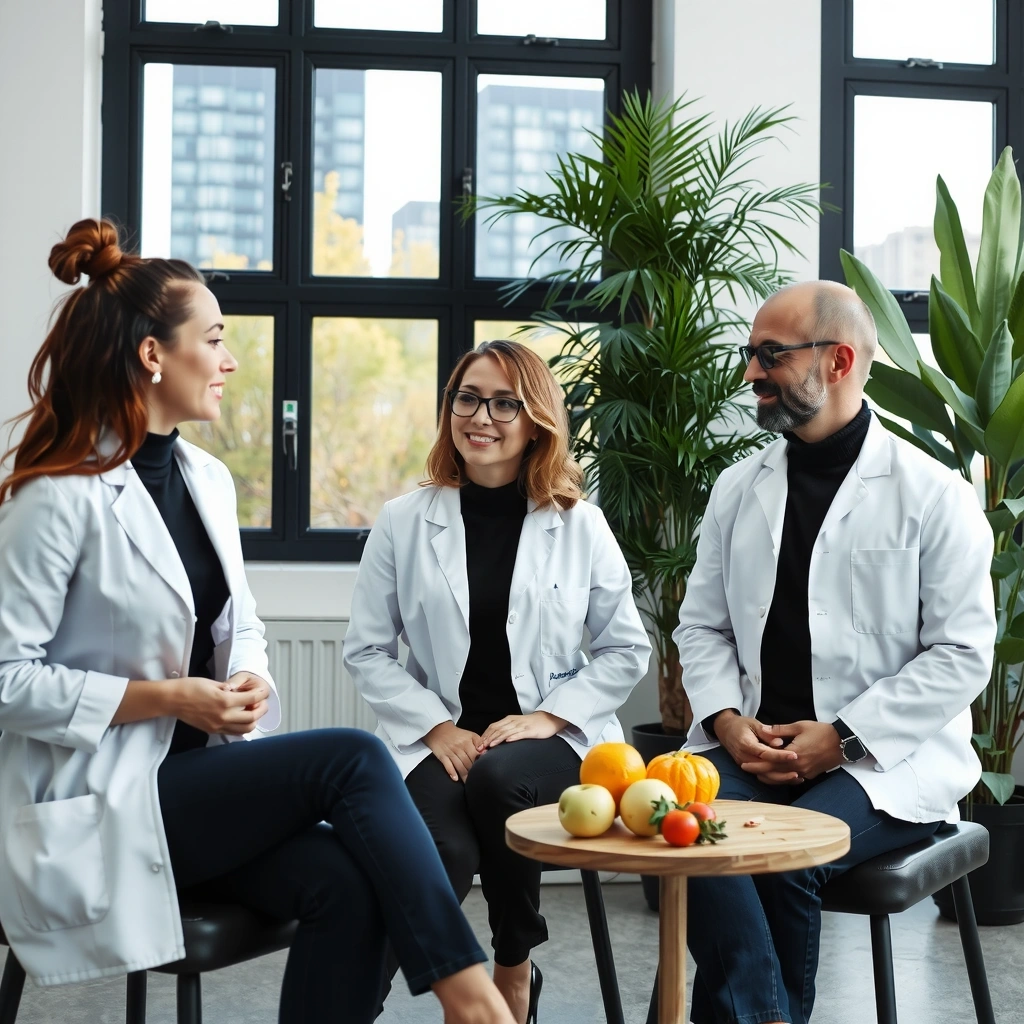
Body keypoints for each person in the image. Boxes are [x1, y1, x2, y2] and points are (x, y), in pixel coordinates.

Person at [0, 218, 516, 1024]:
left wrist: (247, 677)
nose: (230, 360)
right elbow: (6, 680)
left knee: (345, 882)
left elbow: (241, 625)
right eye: (214, 338)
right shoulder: (54, 494)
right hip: (105, 799)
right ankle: (470, 992)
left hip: (189, 787)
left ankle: (467, 991)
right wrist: (168, 697)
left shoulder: (206, 478)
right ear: (152, 355)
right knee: (351, 756)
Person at [649, 281, 996, 1024]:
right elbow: (701, 627)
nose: (750, 373)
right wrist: (728, 721)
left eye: (769, 355)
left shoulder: (933, 495)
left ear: (837, 360)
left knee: (786, 856)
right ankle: (769, 1017)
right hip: (751, 745)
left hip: (883, 762)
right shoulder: (739, 488)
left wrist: (838, 740)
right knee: (675, 816)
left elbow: (962, 653)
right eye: (750, 354)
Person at [344, 339, 651, 1023]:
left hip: (549, 742)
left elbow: (625, 650)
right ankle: (355, 1004)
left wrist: (548, 717)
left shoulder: (580, 524)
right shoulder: (402, 521)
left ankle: (512, 964)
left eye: (504, 402)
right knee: (439, 853)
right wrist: (436, 726)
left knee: (498, 779)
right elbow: (366, 651)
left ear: (536, 417)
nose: (481, 416)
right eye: (468, 398)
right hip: (438, 737)